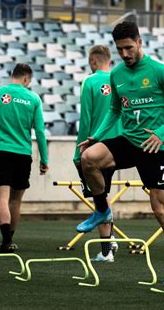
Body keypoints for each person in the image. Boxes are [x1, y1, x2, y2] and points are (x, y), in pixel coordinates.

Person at [78, 21, 164, 284]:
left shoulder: (160, 71)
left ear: (139, 42)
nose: (125, 54)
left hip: (156, 146)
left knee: (161, 210)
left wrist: (161, 132)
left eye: (129, 48)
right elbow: (115, 110)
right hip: (129, 141)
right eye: (120, 50)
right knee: (88, 159)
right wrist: (97, 134)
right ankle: (102, 210)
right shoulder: (117, 75)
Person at [0, 63, 49, 253]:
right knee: (16, 201)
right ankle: (10, 239)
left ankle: (6, 240)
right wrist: (44, 159)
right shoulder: (33, 98)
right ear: (26, 78)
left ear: (13, 75)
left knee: (1, 198)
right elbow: (40, 131)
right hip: (23, 154)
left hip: (1, 152)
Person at [73, 45, 123, 262]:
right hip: (118, 147)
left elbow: (86, 118)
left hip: (96, 148)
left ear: (93, 61)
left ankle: (106, 250)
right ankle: (108, 243)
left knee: (98, 197)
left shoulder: (90, 81)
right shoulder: (119, 78)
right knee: (103, 196)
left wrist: (79, 150)